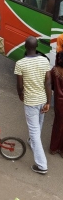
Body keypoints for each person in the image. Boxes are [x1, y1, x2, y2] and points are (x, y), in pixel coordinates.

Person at [14, 36, 51, 174]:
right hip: (42, 100)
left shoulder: (20, 63)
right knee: (39, 125)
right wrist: (48, 101)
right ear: (37, 47)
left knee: (34, 131)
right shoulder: (44, 60)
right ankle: (32, 142)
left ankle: (42, 165)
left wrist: (20, 94)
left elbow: (19, 85)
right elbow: (48, 82)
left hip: (30, 102)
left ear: (25, 46)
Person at [49, 52, 63, 157]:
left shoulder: (54, 71)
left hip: (59, 103)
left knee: (58, 125)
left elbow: (51, 86)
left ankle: (54, 148)